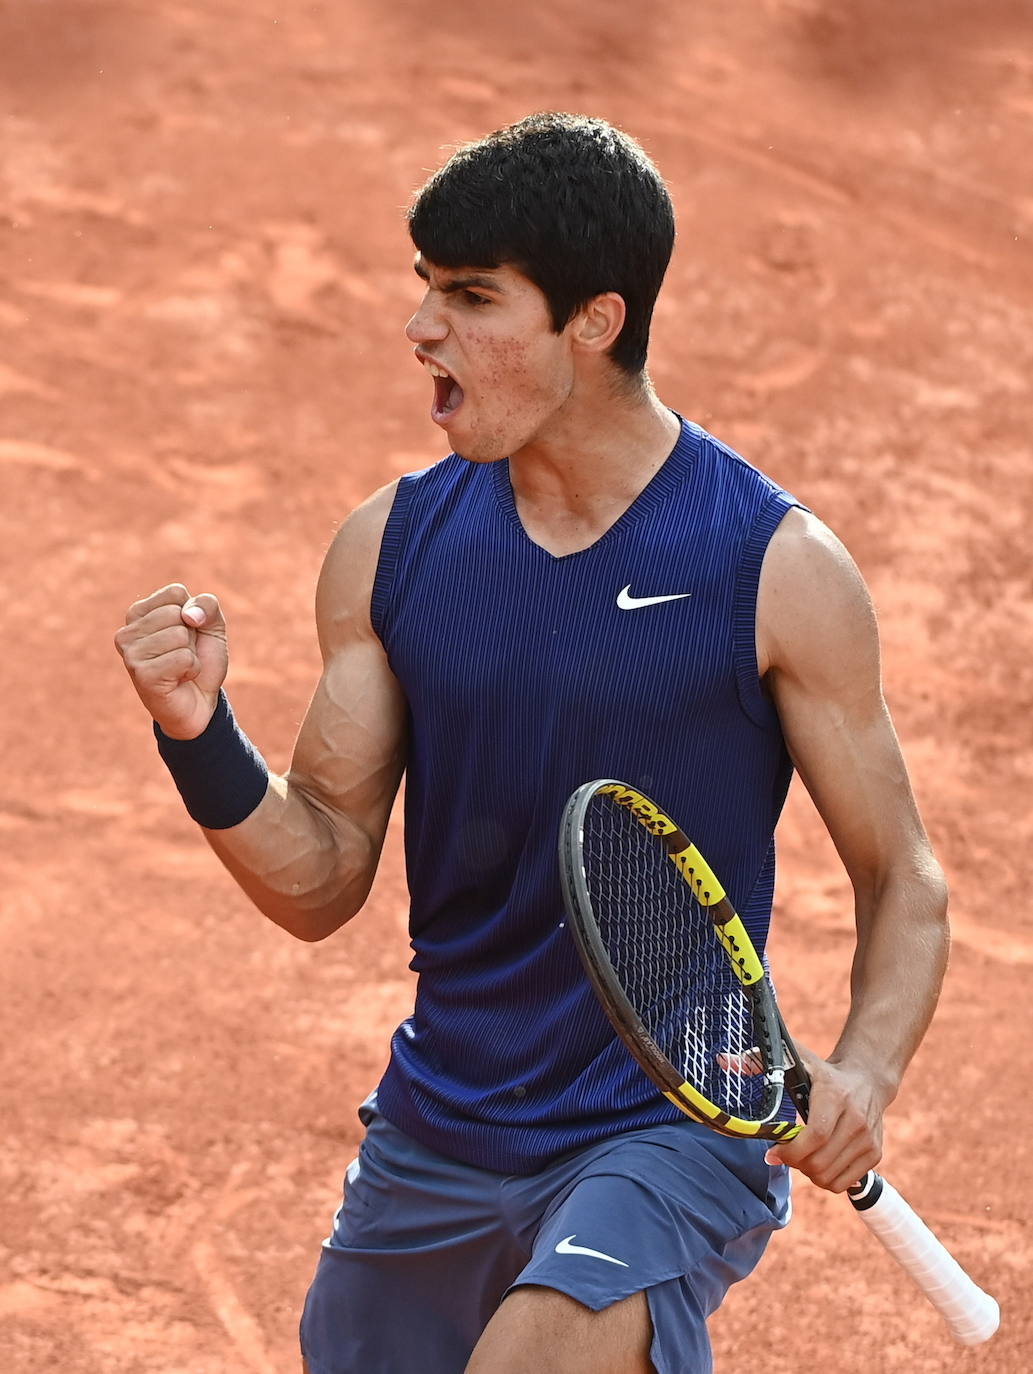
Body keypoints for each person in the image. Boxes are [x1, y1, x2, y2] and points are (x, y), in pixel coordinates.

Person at [114, 113, 950, 1374]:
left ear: (593, 322)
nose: (420, 330)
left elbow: (907, 881)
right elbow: (323, 876)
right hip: (443, 1119)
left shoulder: (770, 570)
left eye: (468, 297)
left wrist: (868, 1074)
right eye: (424, 290)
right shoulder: (392, 549)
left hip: (667, 1126)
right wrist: (200, 738)